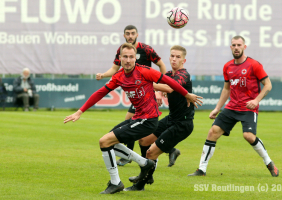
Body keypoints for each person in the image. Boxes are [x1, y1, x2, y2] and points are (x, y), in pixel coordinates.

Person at [64, 43, 202, 194]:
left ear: (135, 59)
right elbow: (100, 92)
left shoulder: (147, 71)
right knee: (113, 143)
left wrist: (186, 94)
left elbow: (170, 84)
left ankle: (119, 181)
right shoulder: (119, 76)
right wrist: (80, 111)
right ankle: (143, 166)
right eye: (125, 57)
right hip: (144, 118)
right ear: (120, 59)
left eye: (131, 57)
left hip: (155, 119)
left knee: (106, 141)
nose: (128, 60)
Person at [188, 35, 279, 177]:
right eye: (234, 45)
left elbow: (268, 85)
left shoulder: (254, 65)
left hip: (248, 107)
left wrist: (256, 101)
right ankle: (201, 169)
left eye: (239, 45)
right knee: (213, 132)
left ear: (244, 47)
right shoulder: (228, 66)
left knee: (248, 136)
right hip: (231, 107)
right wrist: (217, 108)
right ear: (231, 47)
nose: (236, 48)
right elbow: (226, 89)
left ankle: (269, 162)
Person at [124, 45, 202, 191]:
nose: (174, 59)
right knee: (143, 140)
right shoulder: (169, 76)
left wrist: (148, 84)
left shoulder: (184, 75)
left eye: (178, 57)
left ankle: (140, 183)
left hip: (182, 124)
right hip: (171, 118)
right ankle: (150, 172)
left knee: (151, 152)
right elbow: (163, 83)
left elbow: (171, 87)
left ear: (184, 60)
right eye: (172, 56)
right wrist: (158, 91)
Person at [96, 25, 169, 167]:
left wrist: (159, 91)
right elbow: (115, 69)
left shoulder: (146, 49)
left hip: (147, 91)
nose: (130, 36)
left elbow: (161, 65)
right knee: (137, 125)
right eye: (127, 34)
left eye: (132, 33)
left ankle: (130, 156)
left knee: (134, 123)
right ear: (124, 35)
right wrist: (104, 74)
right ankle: (168, 149)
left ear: (137, 35)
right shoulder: (121, 50)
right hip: (136, 92)